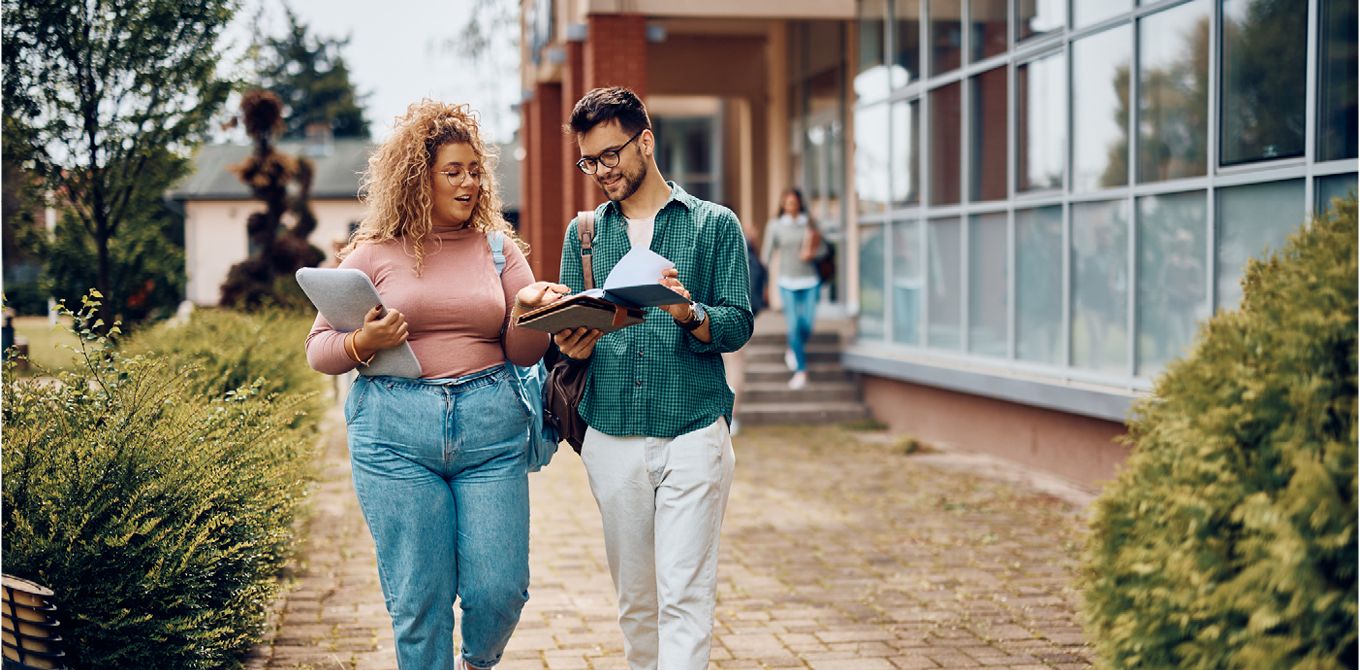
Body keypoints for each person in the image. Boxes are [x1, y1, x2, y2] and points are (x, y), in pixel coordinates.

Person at [304, 100, 566, 670]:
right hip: (394, 435)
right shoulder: (371, 254)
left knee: (500, 591)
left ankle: (477, 662)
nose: (470, 182)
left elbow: (525, 352)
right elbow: (319, 350)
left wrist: (526, 312)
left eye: (476, 170)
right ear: (418, 177)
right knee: (420, 601)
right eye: (454, 171)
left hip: (490, 429)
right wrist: (363, 344)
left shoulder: (498, 249)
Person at [553, 86, 753, 670]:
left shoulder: (714, 225)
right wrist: (571, 339)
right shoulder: (584, 233)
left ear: (646, 141)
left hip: (693, 431)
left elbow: (737, 324)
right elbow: (571, 330)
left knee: (685, 598)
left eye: (610, 155)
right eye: (589, 160)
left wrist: (686, 312)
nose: (601, 171)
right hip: (611, 435)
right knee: (637, 603)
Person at [761, 187, 826, 390]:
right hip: (787, 281)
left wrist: (812, 253)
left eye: (794, 202)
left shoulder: (810, 223)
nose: (791, 206)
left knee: (807, 323)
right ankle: (801, 370)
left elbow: (824, 249)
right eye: (787, 203)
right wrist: (762, 281)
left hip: (810, 280)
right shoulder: (775, 225)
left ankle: (792, 348)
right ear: (782, 205)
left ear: (800, 203)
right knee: (793, 325)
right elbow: (767, 254)